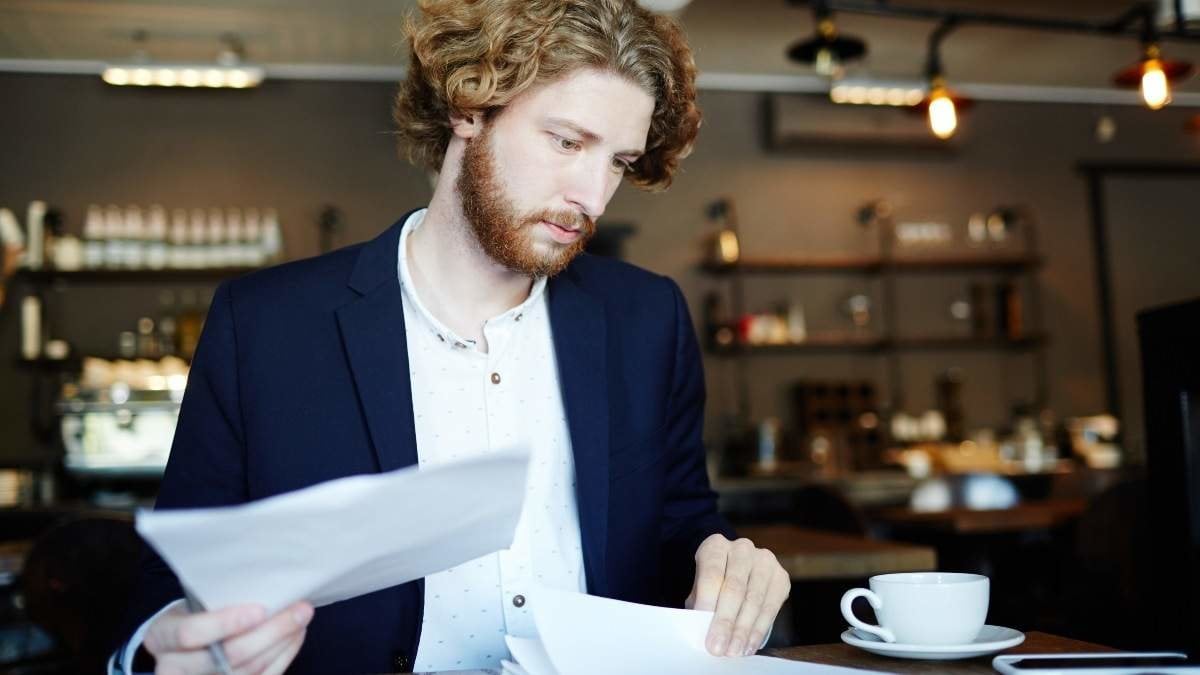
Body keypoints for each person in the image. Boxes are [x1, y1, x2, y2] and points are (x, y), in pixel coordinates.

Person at [111, 1, 790, 673]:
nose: (593, 194)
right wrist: (170, 639)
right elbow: (171, 576)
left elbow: (683, 528)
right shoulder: (263, 324)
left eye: (617, 160)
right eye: (566, 141)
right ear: (470, 107)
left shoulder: (648, 319)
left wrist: (731, 564)